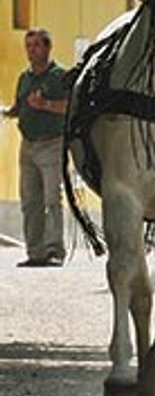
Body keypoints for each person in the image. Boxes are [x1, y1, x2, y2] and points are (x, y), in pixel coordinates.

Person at [3, 28, 69, 267]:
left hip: (51, 143)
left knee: (52, 197)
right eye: (28, 46)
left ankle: (54, 250)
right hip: (28, 145)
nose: (31, 51)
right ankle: (35, 252)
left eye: (36, 46)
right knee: (30, 200)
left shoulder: (59, 76)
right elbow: (20, 105)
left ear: (47, 47)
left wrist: (45, 104)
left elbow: (69, 107)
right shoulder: (25, 78)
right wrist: (9, 112)